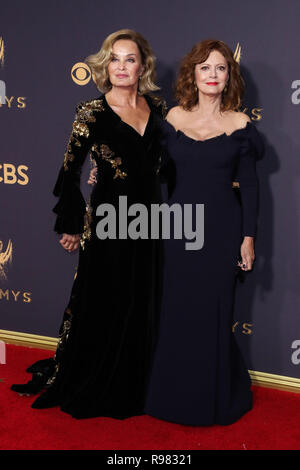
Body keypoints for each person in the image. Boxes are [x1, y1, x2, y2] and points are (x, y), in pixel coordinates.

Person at [11, 29, 167, 420]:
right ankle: (100, 377)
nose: (121, 66)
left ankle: (140, 379)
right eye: (113, 59)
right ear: (104, 65)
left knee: (142, 297)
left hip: (150, 221)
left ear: (142, 65)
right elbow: (69, 172)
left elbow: (166, 164)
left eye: (129, 59)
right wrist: (70, 225)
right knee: (107, 296)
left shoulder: (159, 109)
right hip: (109, 220)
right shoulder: (91, 112)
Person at [143, 39, 264, 426]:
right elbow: (155, 174)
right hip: (179, 229)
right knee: (177, 311)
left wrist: (248, 238)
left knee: (214, 312)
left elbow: (250, 186)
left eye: (221, 68)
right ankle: (171, 394)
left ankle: (213, 398)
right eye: (205, 67)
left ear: (229, 76)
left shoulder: (240, 125)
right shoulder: (173, 119)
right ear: (192, 74)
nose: (213, 75)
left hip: (222, 230)